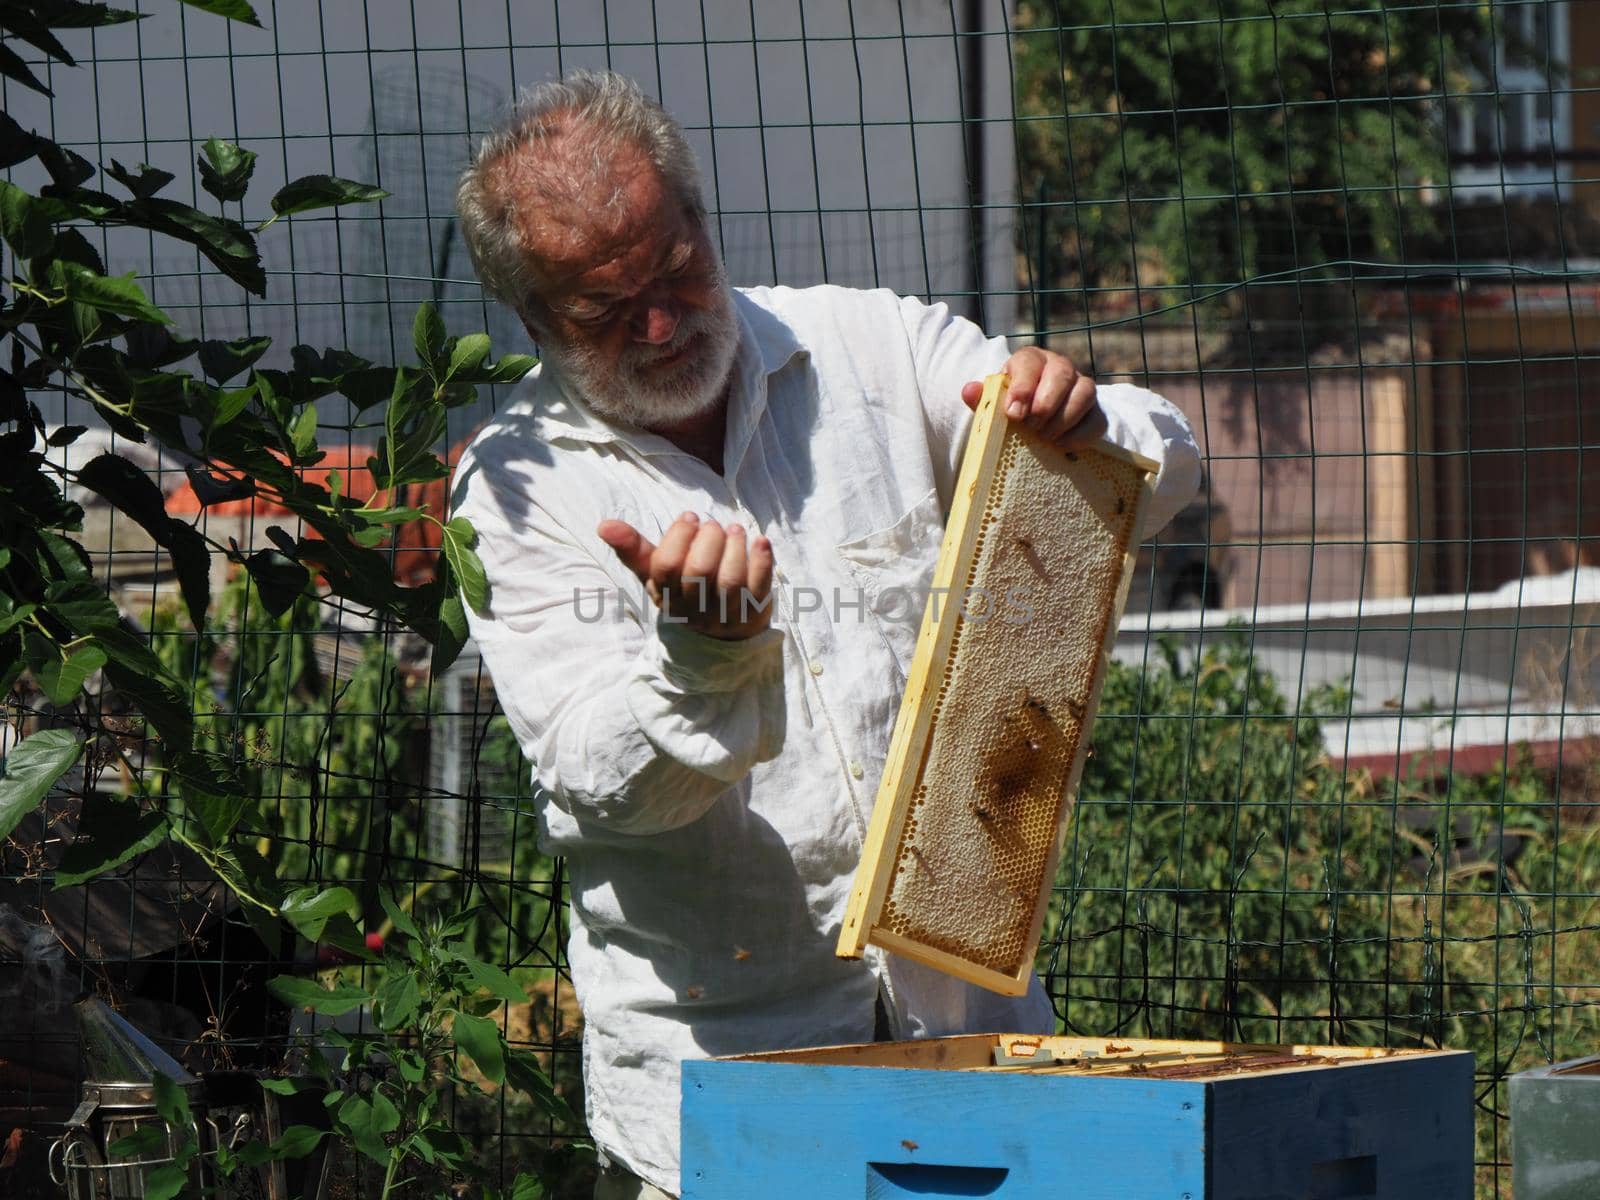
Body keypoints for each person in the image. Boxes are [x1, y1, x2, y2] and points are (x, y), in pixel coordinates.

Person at [451, 70, 1201, 1199]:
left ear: (702, 221)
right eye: (605, 311)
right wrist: (702, 658)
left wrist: (1082, 419)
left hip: (977, 1044)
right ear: (531, 318)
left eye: (674, 271)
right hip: (727, 1095)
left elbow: (1147, 473)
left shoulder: (874, 346)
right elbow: (602, 785)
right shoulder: (514, 487)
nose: (660, 323)